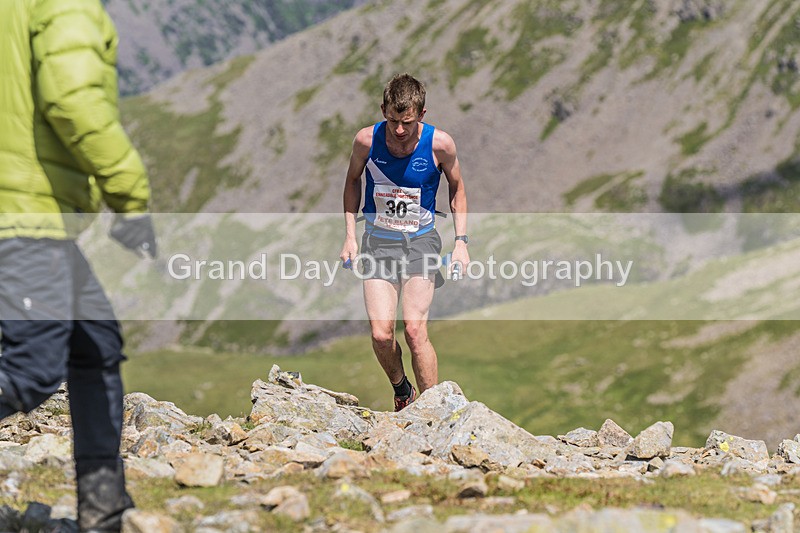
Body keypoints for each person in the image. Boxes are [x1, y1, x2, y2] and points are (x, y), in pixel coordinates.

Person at [0, 0, 156, 530]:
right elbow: (73, 100)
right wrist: (130, 198)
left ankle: (104, 507)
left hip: (34, 215)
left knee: (96, 346)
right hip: (24, 214)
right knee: (31, 368)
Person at [340, 73, 469, 411]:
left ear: (421, 114)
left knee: (414, 330)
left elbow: (457, 188)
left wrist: (461, 242)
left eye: (407, 123)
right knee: (381, 335)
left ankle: (433, 412)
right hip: (378, 242)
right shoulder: (366, 141)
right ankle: (403, 392)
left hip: (421, 242)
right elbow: (352, 181)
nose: (399, 130)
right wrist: (350, 236)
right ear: (383, 110)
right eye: (393, 121)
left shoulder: (440, 144)